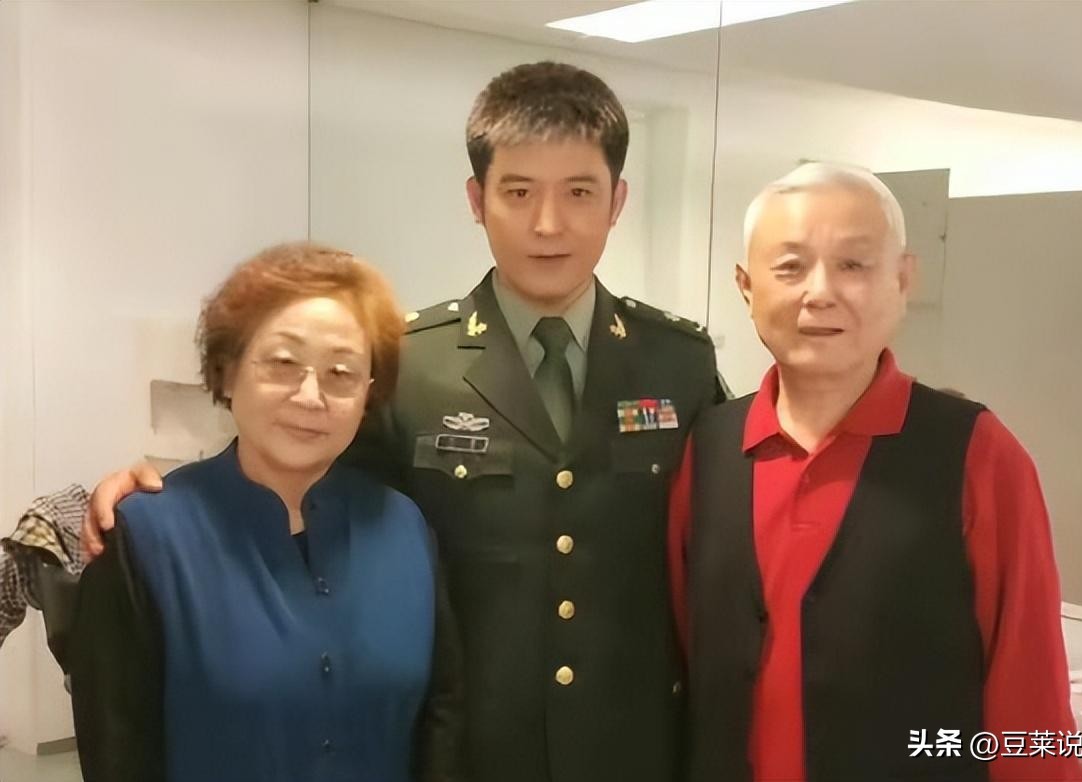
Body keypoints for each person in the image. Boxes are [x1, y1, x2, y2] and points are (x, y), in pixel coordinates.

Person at [83, 63, 724, 782]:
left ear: (617, 201)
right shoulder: (407, 364)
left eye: (580, 192)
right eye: (518, 192)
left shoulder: (678, 363)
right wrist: (164, 490)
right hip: (467, 752)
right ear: (477, 200)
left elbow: (734, 529)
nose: (549, 224)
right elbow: (300, 485)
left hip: (632, 750)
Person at [669, 162, 1082, 781]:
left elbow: (1032, 693)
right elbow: (684, 660)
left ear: (902, 279)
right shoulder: (708, 448)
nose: (820, 292)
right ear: (746, 287)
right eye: (790, 267)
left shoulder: (975, 452)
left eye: (853, 265)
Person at [70, 243, 464, 782]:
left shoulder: (404, 529)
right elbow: (118, 755)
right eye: (282, 363)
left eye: (341, 373)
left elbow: (441, 720)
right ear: (228, 371)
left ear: (369, 393)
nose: (310, 396)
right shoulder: (145, 539)